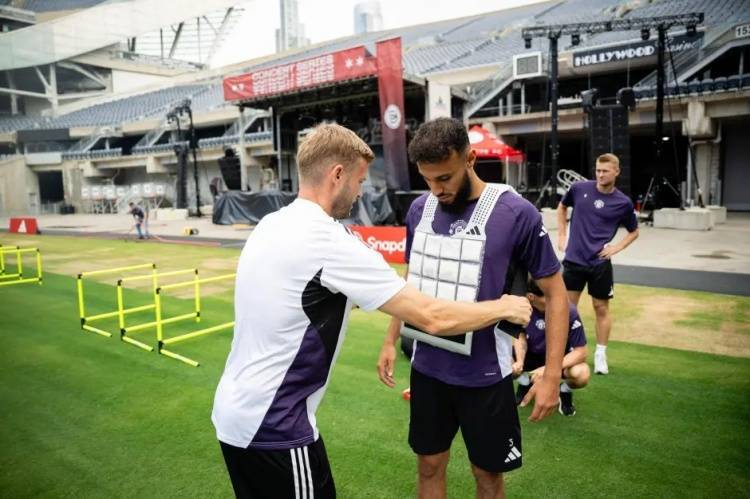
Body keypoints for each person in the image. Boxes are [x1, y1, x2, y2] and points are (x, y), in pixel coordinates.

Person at [211, 123, 534, 499]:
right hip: (275, 425)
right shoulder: (328, 240)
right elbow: (432, 318)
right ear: (338, 175)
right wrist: (503, 306)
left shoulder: (271, 223)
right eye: (360, 180)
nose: (361, 191)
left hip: (234, 414)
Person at [377, 118, 568, 499]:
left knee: (487, 475)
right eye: (427, 179)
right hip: (427, 369)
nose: (437, 189)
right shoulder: (419, 210)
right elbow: (414, 280)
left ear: (471, 159)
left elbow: (557, 294)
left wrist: (551, 375)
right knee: (429, 465)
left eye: (444, 178)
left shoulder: (516, 213)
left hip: (486, 375)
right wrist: (389, 339)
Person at [556, 153, 639, 375]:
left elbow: (634, 231)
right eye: (598, 170)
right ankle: (567, 350)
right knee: (567, 309)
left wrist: (615, 248)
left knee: (601, 308)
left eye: (605, 171)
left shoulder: (623, 202)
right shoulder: (579, 189)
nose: (600, 175)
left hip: (600, 264)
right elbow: (561, 207)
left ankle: (600, 354)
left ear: (616, 172)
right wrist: (562, 236)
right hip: (573, 261)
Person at [513, 278, 589, 417]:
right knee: (504, 364)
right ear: (531, 297)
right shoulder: (522, 308)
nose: (554, 300)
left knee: (582, 374)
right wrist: (519, 361)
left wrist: (549, 368)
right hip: (531, 356)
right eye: (548, 297)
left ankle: (564, 391)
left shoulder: (568, 311)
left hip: (558, 359)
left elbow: (581, 352)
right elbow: (520, 336)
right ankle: (524, 382)